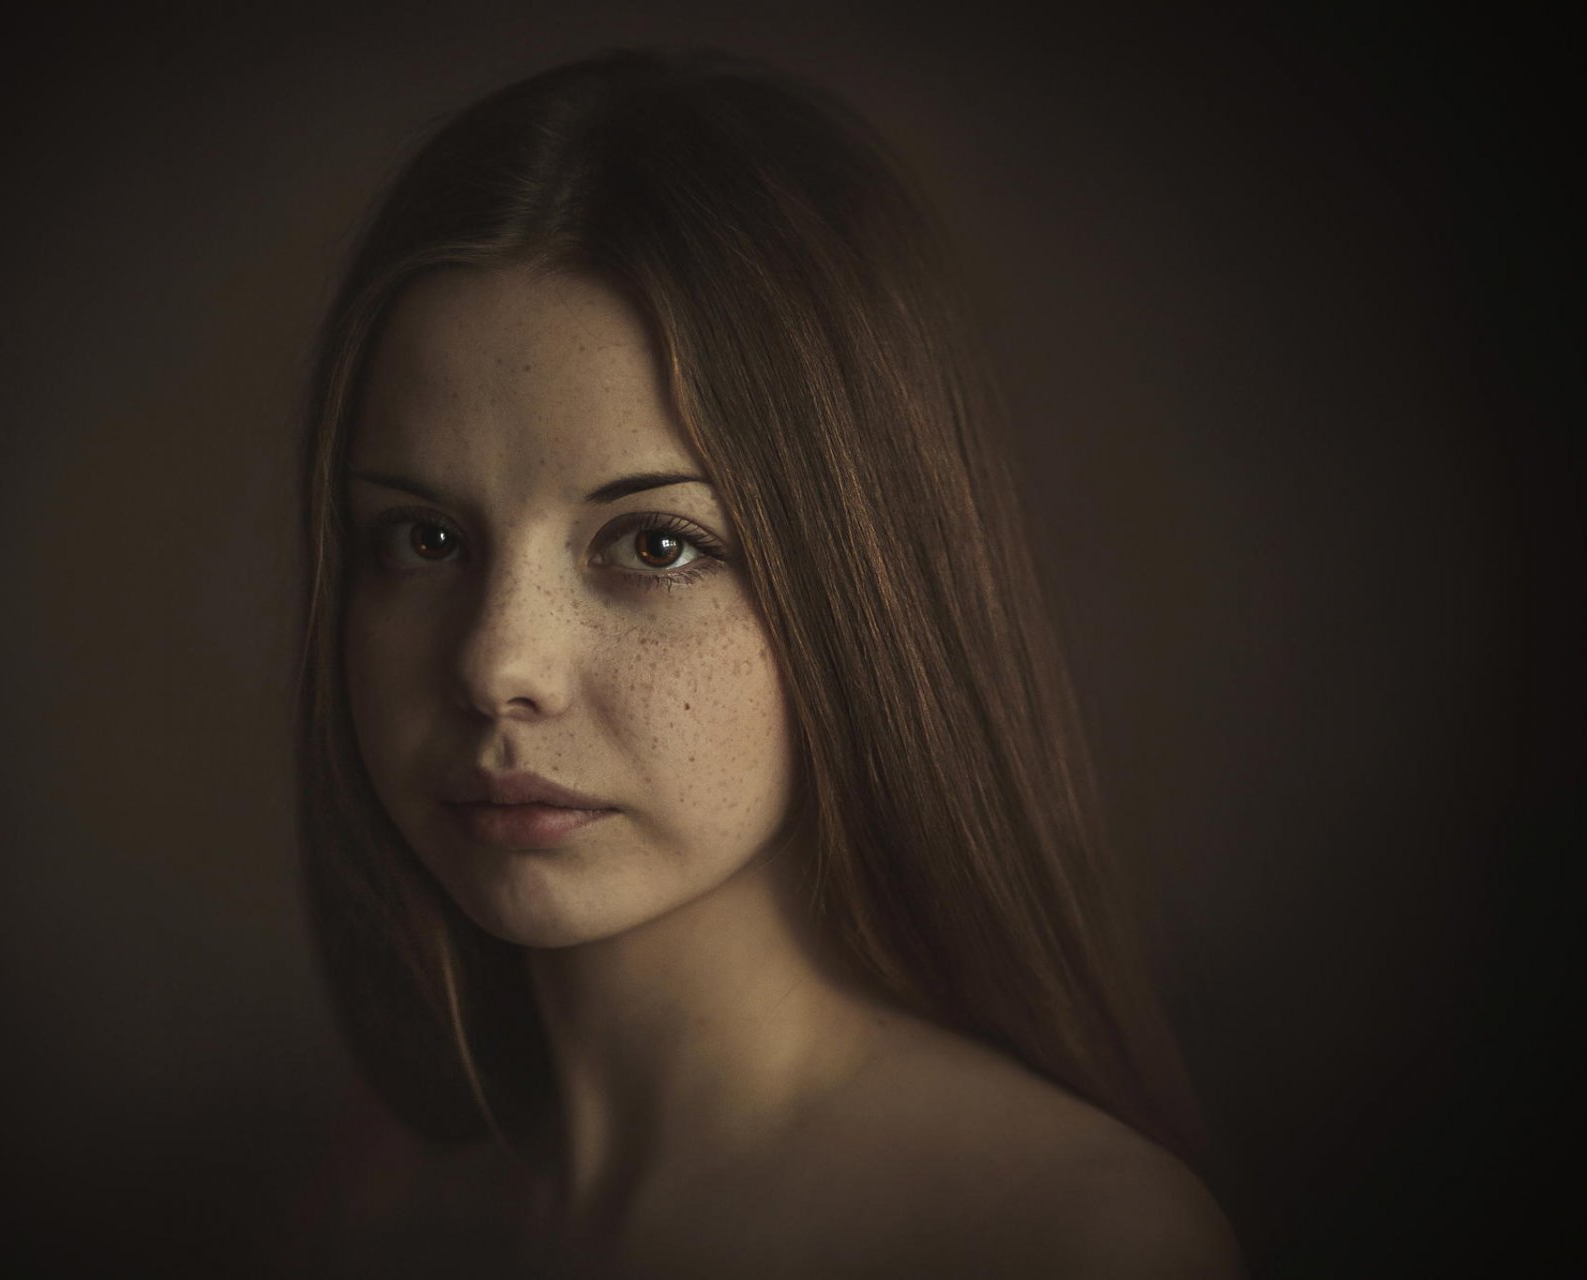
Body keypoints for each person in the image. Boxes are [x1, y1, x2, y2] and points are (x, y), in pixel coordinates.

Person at [299, 49, 1244, 1277]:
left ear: (864, 588)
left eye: (655, 542)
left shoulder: (1064, 1242)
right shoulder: (391, 1226)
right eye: (424, 539)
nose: (497, 663)